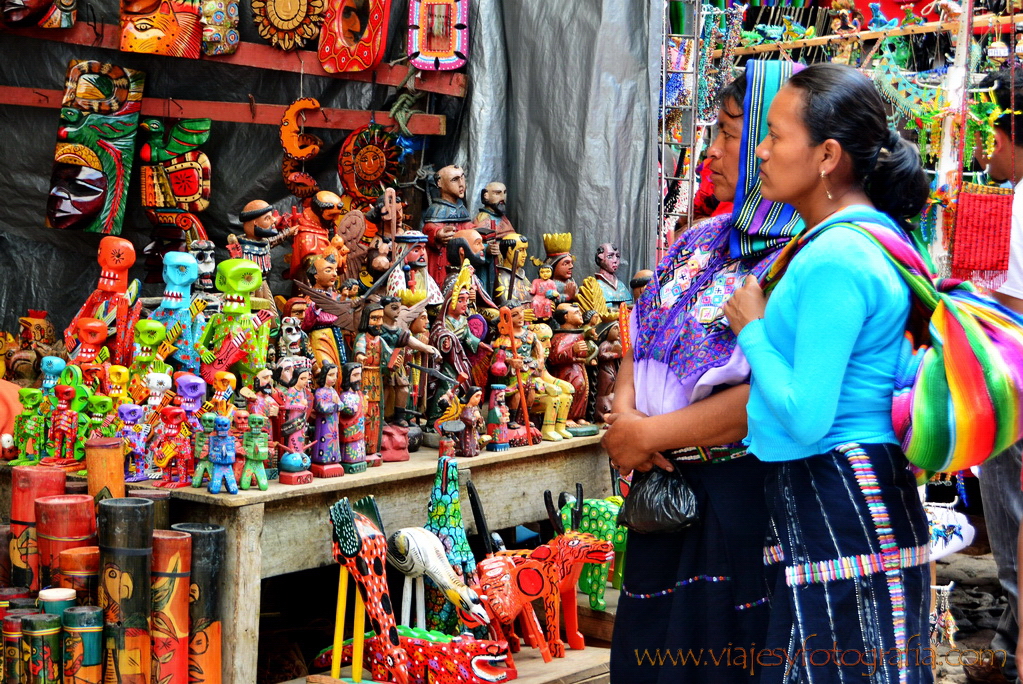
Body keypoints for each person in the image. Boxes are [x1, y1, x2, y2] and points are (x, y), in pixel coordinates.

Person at [722, 62, 932, 684]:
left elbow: (808, 414)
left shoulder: (837, 257)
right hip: (854, 496)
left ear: (827, 156)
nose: (760, 151)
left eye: (777, 135)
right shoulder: (870, 238)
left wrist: (752, 329)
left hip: (841, 498)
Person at [603, 60, 803, 684]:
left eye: (728, 133)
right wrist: (626, 415)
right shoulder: (701, 239)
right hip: (663, 493)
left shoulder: (800, 256)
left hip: (737, 502)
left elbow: (763, 396)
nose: (710, 154)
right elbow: (639, 331)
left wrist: (648, 437)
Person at [967, 69, 1023, 684]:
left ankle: (1012, 645)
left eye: (986, 134)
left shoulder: (1018, 205)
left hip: (1017, 379)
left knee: (1010, 508)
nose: (983, 152)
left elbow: (1012, 310)